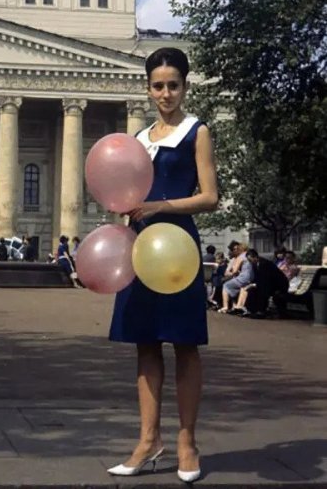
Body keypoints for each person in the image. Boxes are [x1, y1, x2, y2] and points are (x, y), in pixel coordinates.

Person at [108, 47, 218, 483]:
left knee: (184, 343)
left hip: (178, 248)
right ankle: (148, 440)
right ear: (148, 88)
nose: (166, 93)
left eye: (174, 85)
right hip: (141, 248)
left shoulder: (196, 131)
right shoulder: (137, 138)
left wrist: (158, 206)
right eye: (158, 85)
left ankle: (187, 442)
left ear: (185, 87)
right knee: (146, 343)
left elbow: (209, 196)